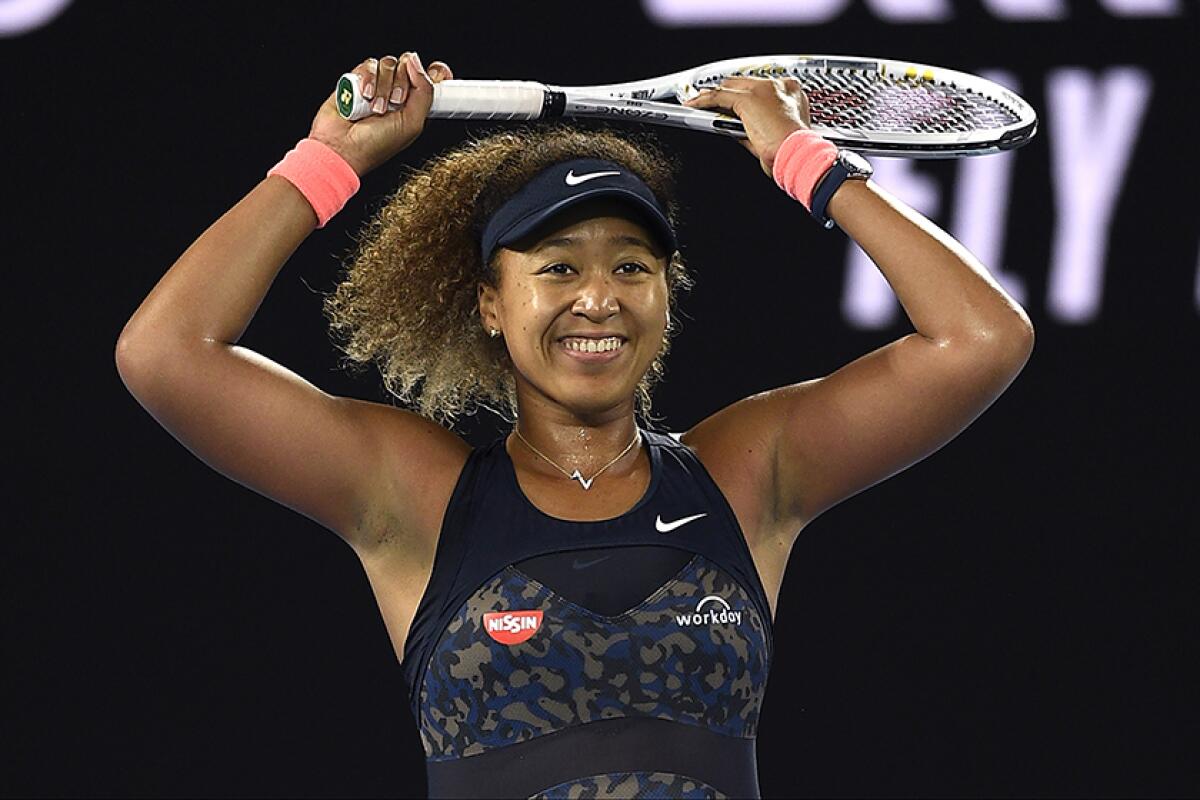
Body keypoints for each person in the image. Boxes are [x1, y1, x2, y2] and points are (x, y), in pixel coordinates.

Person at [116, 52, 1034, 799]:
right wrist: (328, 162)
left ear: (665, 300)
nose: (599, 297)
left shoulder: (751, 473)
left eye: (633, 267)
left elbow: (981, 336)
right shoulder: (417, 497)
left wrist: (806, 162)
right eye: (557, 268)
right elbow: (166, 354)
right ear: (489, 303)